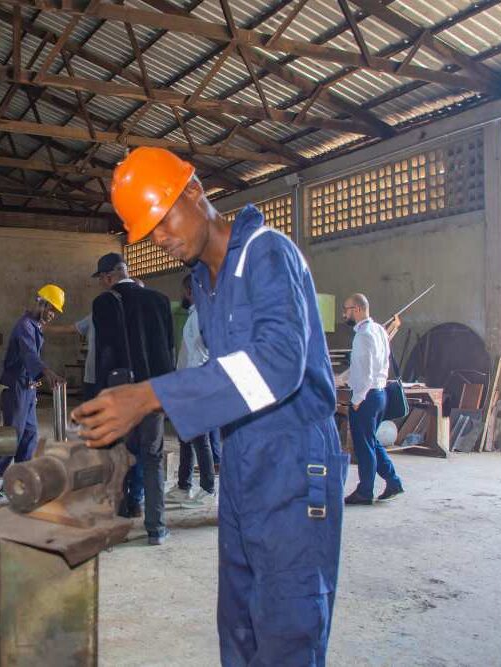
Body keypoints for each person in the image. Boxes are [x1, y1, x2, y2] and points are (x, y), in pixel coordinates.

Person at [73, 147, 347, 665]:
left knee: (287, 623)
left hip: (293, 459)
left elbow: (279, 363)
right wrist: (143, 403)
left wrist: (153, 394)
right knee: (240, 624)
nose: (161, 238)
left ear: (194, 192)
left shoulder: (267, 253)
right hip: (241, 460)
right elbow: (226, 380)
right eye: (148, 233)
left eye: (163, 221)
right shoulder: (204, 280)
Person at [91, 252, 174, 544]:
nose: (102, 285)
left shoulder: (104, 304)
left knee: (117, 457)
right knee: (152, 458)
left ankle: (117, 520)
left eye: (102, 279)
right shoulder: (160, 301)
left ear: (109, 276)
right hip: (154, 394)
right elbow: (168, 353)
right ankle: (156, 529)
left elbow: (105, 355)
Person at [0, 285, 65, 481]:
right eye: (50, 308)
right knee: (13, 434)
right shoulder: (24, 326)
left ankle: (23, 472)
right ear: (40, 302)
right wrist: (47, 372)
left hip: (27, 386)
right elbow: (30, 355)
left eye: (55, 311)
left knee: (30, 433)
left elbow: (31, 360)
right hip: (15, 386)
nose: (52, 314)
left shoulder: (35, 326)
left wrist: (35, 381)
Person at [342, 293, 404, 505]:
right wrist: (342, 379)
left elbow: (365, 371)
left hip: (366, 397)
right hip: (380, 394)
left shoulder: (363, 335)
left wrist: (358, 398)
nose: (344, 313)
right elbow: (381, 364)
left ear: (358, 309)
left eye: (347, 309)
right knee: (372, 442)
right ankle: (393, 481)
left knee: (364, 446)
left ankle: (365, 491)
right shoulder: (379, 330)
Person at [164, 273, 216, 509]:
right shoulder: (194, 315)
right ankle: (184, 486)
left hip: (197, 386)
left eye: (184, 291)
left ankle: (208, 488)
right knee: (185, 437)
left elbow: (204, 353)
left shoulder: (202, 316)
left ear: (191, 291)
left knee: (200, 439)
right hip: (187, 383)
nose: (182, 295)